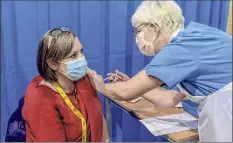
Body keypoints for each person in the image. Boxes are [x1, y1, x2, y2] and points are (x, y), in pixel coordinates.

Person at [87, 1, 232, 142]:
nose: (137, 38)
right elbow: (170, 99)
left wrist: (101, 86)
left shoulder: (180, 50)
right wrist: (134, 84)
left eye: (138, 31)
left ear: (154, 27)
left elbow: (126, 92)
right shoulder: (197, 34)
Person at [22, 27, 109, 142]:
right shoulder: (41, 99)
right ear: (53, 64)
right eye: (73, 56)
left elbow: (99, 121)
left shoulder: (84, 80)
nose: (82, 59)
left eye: (81, 52)